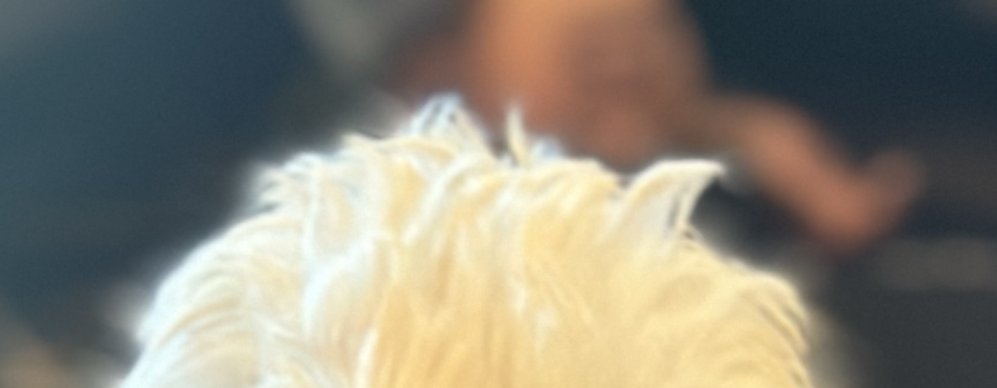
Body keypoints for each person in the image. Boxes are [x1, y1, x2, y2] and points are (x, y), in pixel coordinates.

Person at [295, 0, 923, 253]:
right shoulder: (353, 228)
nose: (634, 35)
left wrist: (747, 136)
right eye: (593, 58)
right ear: (429, 67)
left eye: (658, 21)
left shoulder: (694, 182)